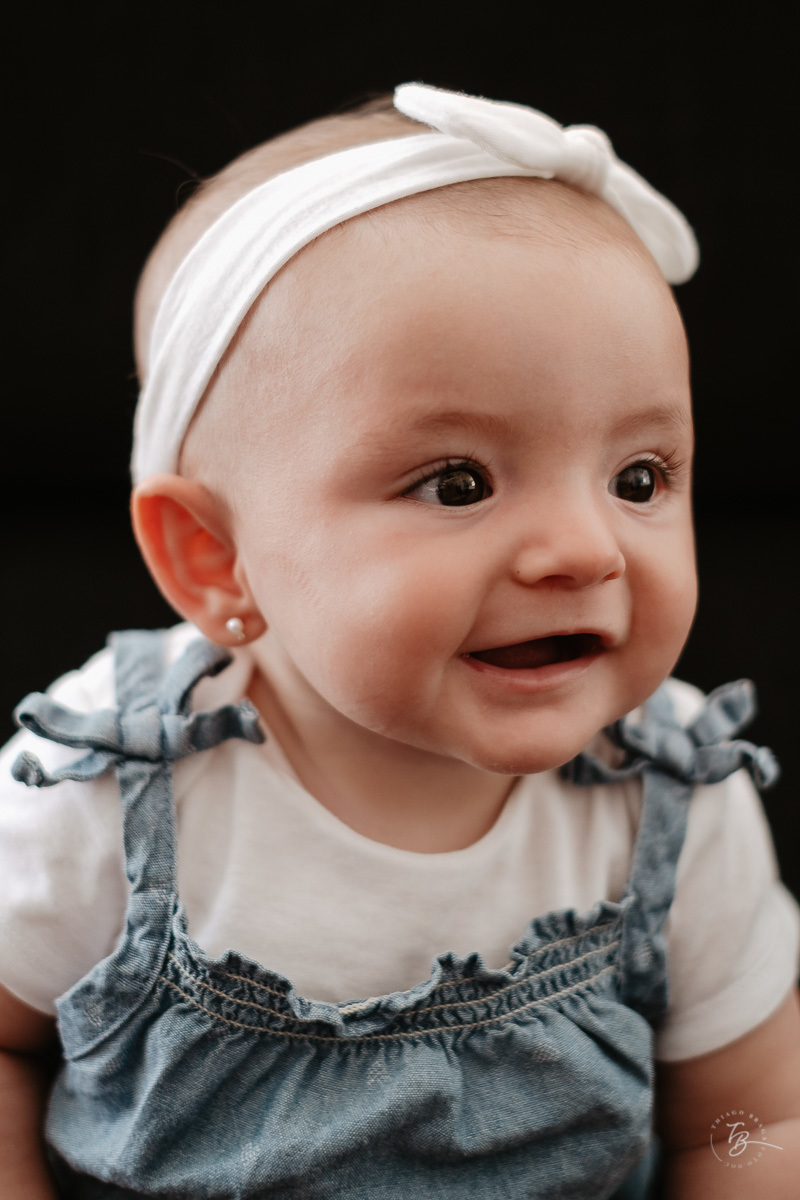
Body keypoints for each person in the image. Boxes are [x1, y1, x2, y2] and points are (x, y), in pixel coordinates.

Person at [0, 83, 798, 1199]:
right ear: (216, 558)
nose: (585, 549)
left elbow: (753, 1120)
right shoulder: (103, 783)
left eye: (638, 478)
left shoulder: (672, 793)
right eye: (457, 483)